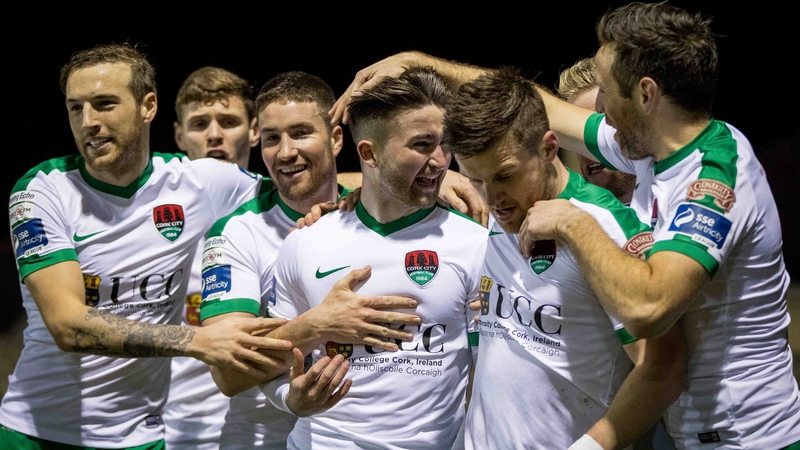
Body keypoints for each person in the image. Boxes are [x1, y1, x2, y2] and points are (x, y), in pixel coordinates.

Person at [332, 4, 800, 446]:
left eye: (605, 90)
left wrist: (574, 224)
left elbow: (650, 306)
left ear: (646, 94)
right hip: (689, 429)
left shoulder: (714, 175)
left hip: (746, 435)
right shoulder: (649, 151)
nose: (597, 111)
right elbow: (535, 109)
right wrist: (419, 63)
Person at [0, 44, 294, 449]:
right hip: (37, 433)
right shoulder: (41, 190)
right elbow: (68, 325)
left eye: (104, 104)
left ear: (148, 106)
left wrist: (347, 198)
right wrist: (199, 341)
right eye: (75, 108)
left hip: (141, 437)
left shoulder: (200, 182)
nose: (88, 122)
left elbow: (305, 190)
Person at [443, 67, 683, 449]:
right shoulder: (491, 209)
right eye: (473, 178)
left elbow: (663, 367)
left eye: (505, 176)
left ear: (549, 147)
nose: (491, 198)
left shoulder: (605, 224)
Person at [261, 67, 487, 449]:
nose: (440, 160)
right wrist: (290, 400)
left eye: (444, 143)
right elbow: (271, 363)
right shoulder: (306, 242)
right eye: (422, 145)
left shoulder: (476, 244)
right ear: (370, 153)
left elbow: (491, 378)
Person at [198, 71, 424, 449]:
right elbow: (227, 373)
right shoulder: (236, 233)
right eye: (272, 138)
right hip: (260, 440)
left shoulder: (385, 212)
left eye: (301, 133)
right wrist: (319, 323)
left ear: (337, 138)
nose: (285, 152)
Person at [163, 66, 262, 450]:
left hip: (271, 432)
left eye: (229, 121)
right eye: (200, 123)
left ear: (254, 130)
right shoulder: (153, 218)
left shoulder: (301, 213)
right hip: (179, 433)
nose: (215, 134)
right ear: (178, 136)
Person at [555, 57, 635, 205]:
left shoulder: (680, 190)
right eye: (578, 135)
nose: (589, 147)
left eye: (600, 128)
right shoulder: (563, 217)